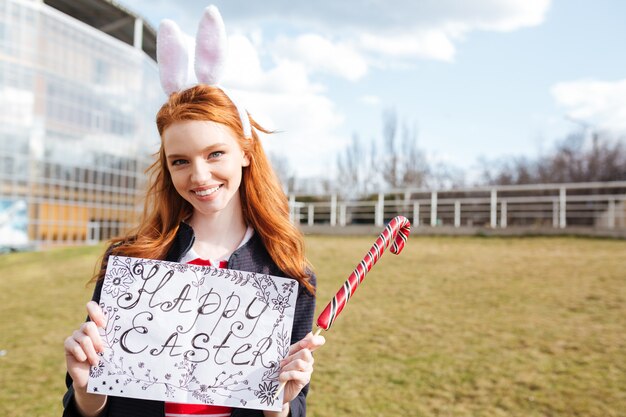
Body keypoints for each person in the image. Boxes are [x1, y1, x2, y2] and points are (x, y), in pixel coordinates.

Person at [62, 84, 325, 417]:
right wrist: (87, 392)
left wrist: (280, 404)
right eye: (181, 161)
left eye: (215, 153)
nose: (200, 176)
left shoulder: (286, 273)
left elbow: (294, 405)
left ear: (245, 152)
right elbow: (87, 405)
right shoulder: (131, 263)